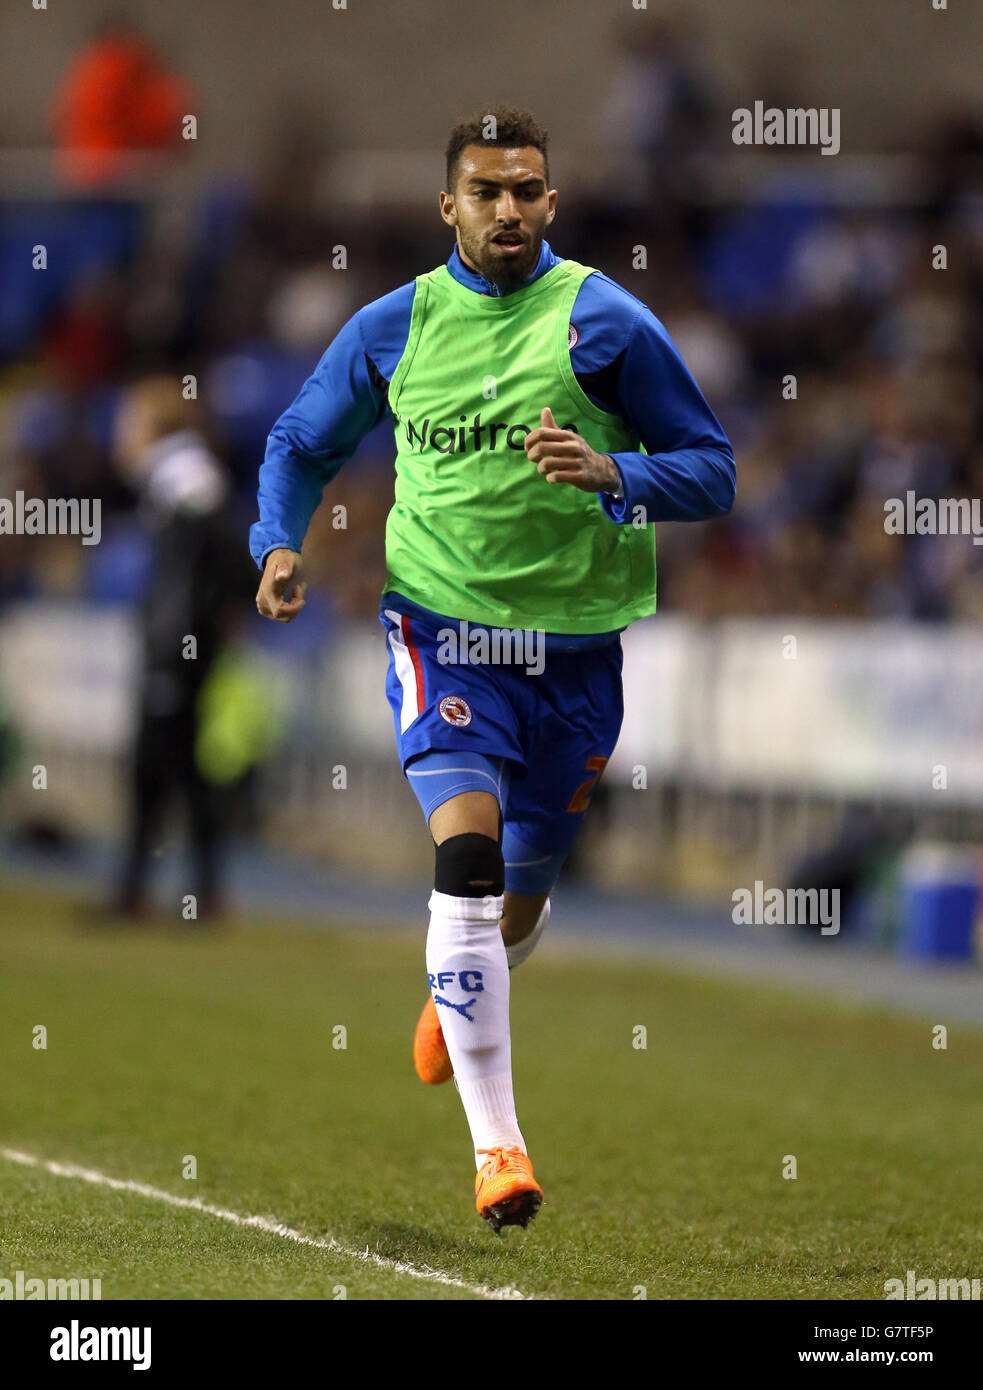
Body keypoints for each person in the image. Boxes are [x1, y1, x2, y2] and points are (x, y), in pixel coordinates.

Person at [251, 107, 735, 1232]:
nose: (506, 209)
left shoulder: (603, 323)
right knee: (463, 856)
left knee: (515, 900)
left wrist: (614, 467)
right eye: (485, 191)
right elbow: (298, 443)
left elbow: (711, 472)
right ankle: (497, 1150)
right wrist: (277, 542)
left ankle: (452, 982)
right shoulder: (394, 326)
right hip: (442, 633)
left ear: (550, 204)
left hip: (573, 654)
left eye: (526, 191)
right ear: (447, 206)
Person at [114, 377, 252, 920]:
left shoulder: (186, 483)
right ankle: (197, 893)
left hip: (178, 647)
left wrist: (181, 637)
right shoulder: (182, 481)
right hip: (183, 642)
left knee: (157, 767)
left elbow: (222, 566)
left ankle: (142, 892)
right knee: (180, 766)